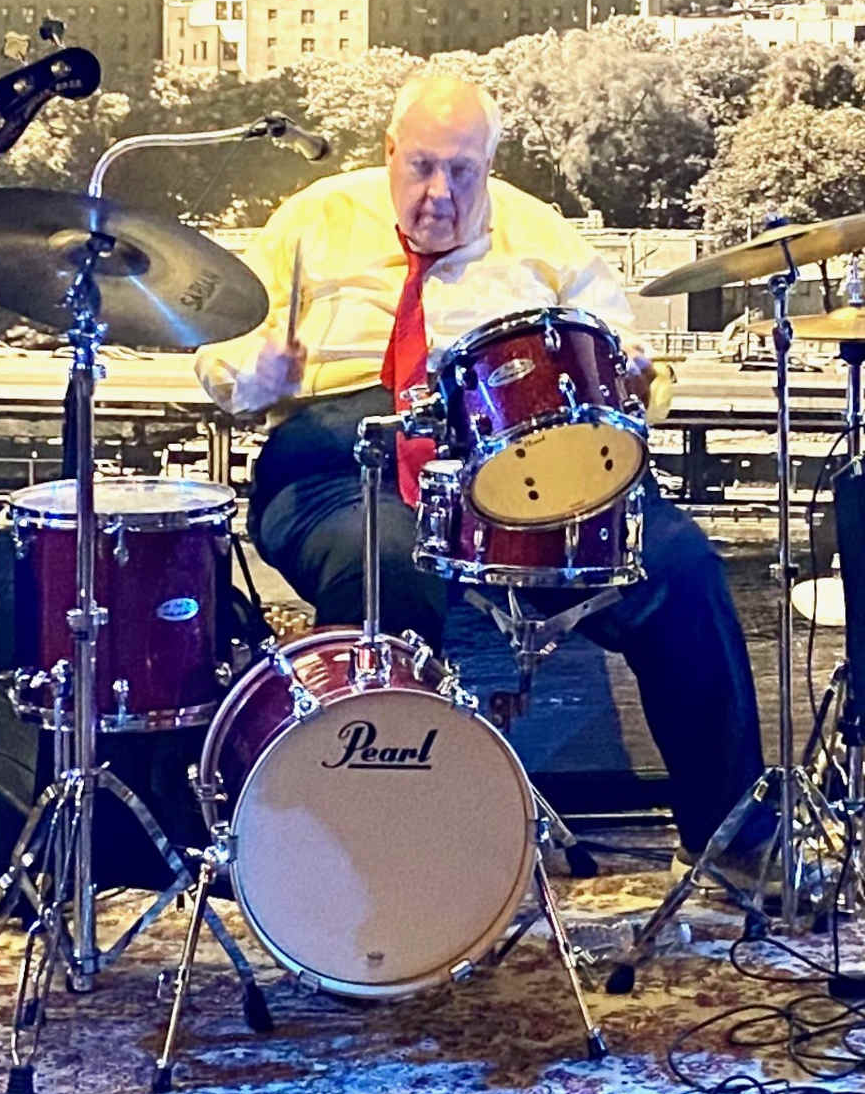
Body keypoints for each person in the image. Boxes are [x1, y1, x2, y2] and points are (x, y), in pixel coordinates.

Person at [195, 64, 763, 866]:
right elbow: (219, 356)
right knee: (388, 565)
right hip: (340, 456)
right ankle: (365, 856)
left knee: (680, 565)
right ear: (389, 151)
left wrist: (637, 381)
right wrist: (262, 375)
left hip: (517, 463)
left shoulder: (541, 234)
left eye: (461, 171)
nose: (439, 192)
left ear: (488, 166)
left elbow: (620, 354)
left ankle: (733, 836)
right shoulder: (313, 220)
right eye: (421, 166)